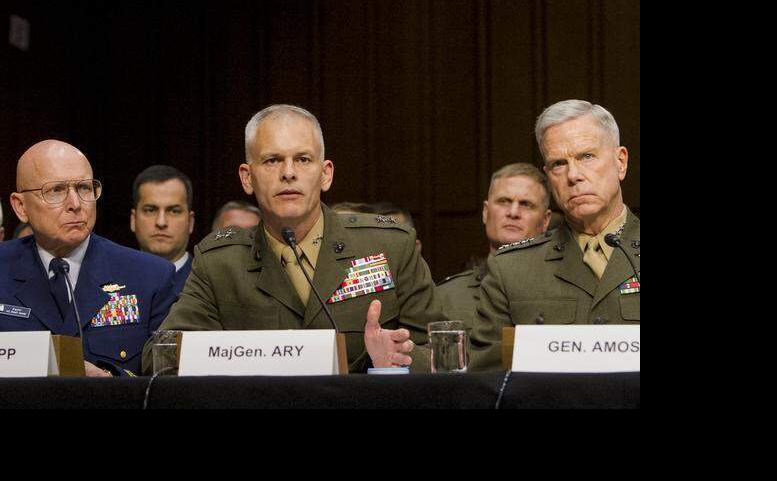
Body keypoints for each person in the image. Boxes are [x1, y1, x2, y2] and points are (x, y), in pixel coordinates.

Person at [142, 104, 445, 374]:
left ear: (326, 174)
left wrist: (397, 360)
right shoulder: (219, 263)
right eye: (272, 160)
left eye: (302, 159)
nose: (288, 173)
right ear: (247, 177)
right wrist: (236, 358)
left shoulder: (389, 246)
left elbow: (445, 356)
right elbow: (159, 358)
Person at [469, 100, 641, 370]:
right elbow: (489, 383)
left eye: (587, 156)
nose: (573, 175)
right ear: (549, 176)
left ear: (621, 162)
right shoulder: (511, 270)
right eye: (559, 164)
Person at [1, 140, 177, 376]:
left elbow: (165, 384)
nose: (75, 204)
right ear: (20, 206)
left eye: (84, 188)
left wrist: (109, 381)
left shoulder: (150, 276)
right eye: (56, 190)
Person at [435, 163, 552, 331]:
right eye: (504, 201)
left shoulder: (567, 293)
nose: (513, 212)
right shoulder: (447, 297)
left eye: (526, 204)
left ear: (545, 220)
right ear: (485, 212)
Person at [131, 165, 196, 293]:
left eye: (174, 211)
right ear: (133, 220)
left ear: (190, 222)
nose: (161, 222)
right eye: (150, 210)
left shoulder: (210, 286)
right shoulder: (112, 279)